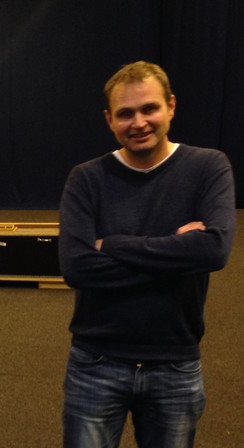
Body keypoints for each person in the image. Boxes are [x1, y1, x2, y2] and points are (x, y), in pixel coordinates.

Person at [58, 61, 236, 447]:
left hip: (175, 364)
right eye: (125, 114)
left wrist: (113, 244)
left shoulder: (209, 167)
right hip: (95, 363)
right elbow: (77, 267)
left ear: (171, 106)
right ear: (110, 120)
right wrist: (178, 254)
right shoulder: (86, 178)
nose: (138, 123)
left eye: (149, 108)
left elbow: (214, 250)